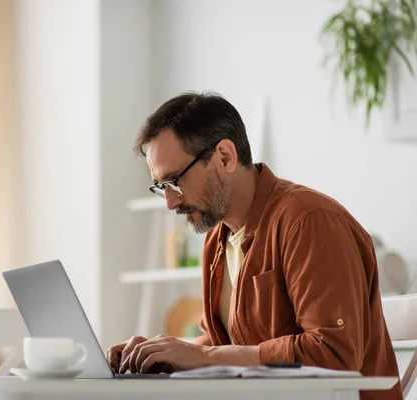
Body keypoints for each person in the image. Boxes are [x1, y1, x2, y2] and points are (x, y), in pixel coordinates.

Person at [106, 92, 402, 400]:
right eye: (161, 187)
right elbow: (222, 343)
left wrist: (204, 358)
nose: (170, 202)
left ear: (225, 157)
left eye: (175, 180)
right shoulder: (216, 239)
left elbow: (334, 354)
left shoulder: (309, 221)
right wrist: (159, 355)